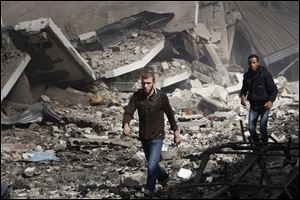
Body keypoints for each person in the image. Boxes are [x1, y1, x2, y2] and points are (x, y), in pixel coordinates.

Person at [122, 71, 180, 198]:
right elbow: (129, 111)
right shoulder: (137, 96)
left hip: (157, 136)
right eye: (143, 83)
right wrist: (126, 124)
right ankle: (165, 181)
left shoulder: (161, 96)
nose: (145, 86)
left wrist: (176, 132)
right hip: (144, 136)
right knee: (153, 164)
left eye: (148, 83)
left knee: (152, 165)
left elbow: (170, 114)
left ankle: (148, 192)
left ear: (153, 83)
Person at [240, 54, 278, 144]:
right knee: (250, 127)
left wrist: (270, 101)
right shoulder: (247, 76)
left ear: (258, 63)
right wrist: (242, 96)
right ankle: (257, 145)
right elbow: (244, 89)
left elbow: (274, 90)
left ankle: (264, 147)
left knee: (262, 128)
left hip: (264, 106)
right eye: (250, 63)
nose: (252, 65)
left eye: (254, 63)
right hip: (254, 106)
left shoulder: (265, 74)